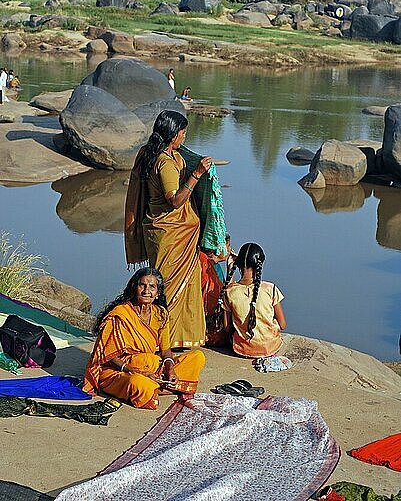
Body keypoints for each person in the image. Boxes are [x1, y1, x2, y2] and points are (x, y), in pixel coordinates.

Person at [125, 110, 213, 349]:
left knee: (172, 285)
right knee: (165, 288)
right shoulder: (163, 162)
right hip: (171, 233)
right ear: (173, 134)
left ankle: (173, 337)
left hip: (167, 231)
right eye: (183, 133)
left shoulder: (153, 153)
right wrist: (196, 175)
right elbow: (174, 200)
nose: (185, 137)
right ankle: (159, 339)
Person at [83, 268, 206, 410]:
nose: (146, 290)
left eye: (152, 287)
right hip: (120, 372)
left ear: (158, 293)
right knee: (138, 383)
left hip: (151, 368)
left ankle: (160, 385)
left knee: (197, 357)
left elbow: (166, 350)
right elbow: (107, 355)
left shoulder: (161, 314)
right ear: (135, 287)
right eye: (142, 285)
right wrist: (137, 372)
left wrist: (170, 369)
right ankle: (164, 387)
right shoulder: (120, 314)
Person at [217, 242, 286, 358]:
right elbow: (282, 325)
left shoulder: (230, 293)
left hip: (242, 349)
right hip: (270, 348)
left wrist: (230, 269)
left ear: (238, 264)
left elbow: (227, 328)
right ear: (259, 265)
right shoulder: (270, 289)